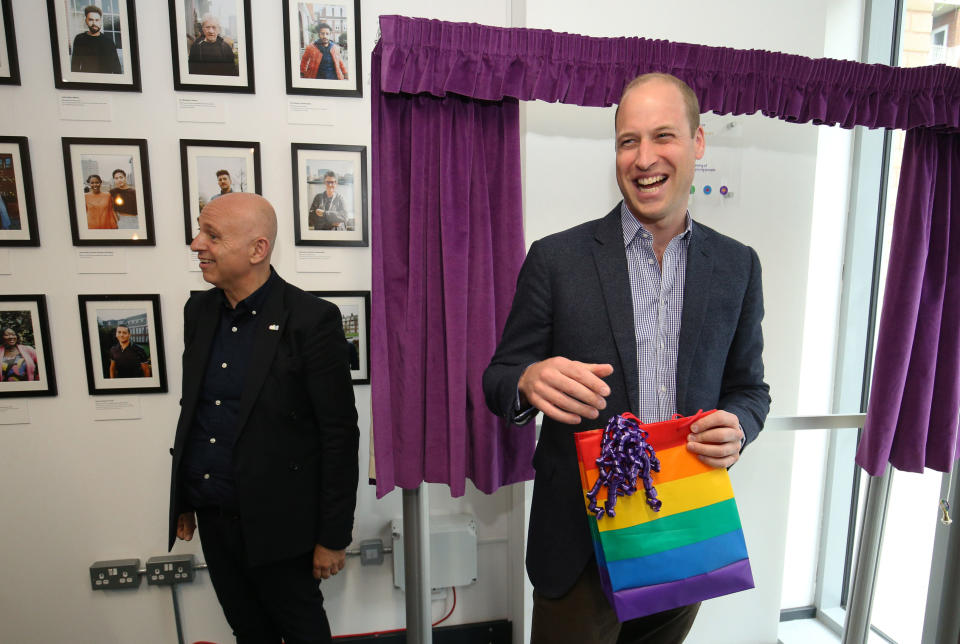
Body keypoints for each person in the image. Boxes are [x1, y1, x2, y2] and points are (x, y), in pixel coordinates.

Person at [483, 73, 770, 644]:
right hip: (580, 543)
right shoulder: (555, 259)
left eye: (663, 136)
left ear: (698, 143)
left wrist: (740, 424)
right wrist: (529, 381)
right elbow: (499, 380)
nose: (644, 159)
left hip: (683, 532)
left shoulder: (738, 266)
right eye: (627, 141)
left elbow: (750, 388)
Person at [167, 193, 360, 643]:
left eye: (212, 235)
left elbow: (338, 435)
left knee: (302, 632)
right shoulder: (198, 311)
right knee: (247, 632)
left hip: (283, 524)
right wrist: (185, 498)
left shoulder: (312, 320)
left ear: (257, 249)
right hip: (216, 517)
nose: (197, 244)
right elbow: (198, 410)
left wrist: (333, 536)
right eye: (200, 231)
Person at [70, 5, 121, 74]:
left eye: (97, 20)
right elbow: (75, 66)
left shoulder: (109, 41)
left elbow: (117, 69)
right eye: (91, 20)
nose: (94, 23)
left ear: (100, 21)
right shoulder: (79, 39)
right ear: (86, 21)